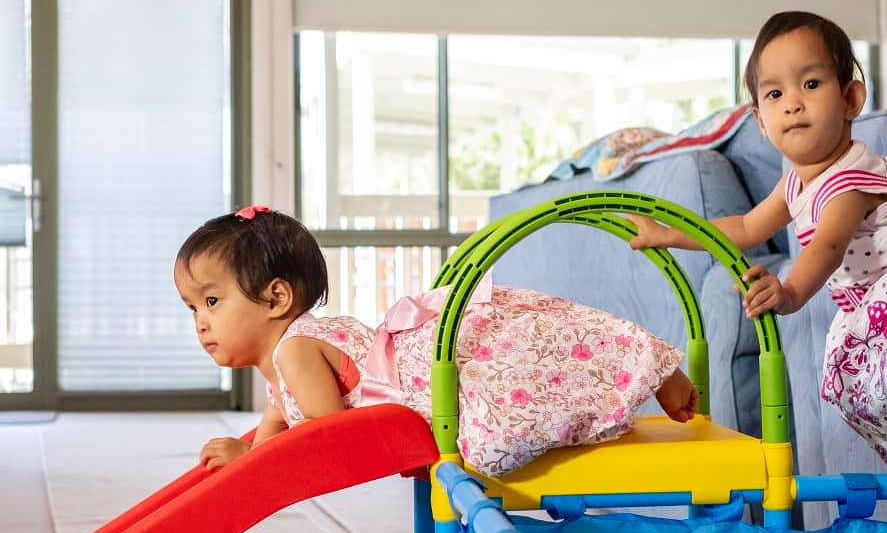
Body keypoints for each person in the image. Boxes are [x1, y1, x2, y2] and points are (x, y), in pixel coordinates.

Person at [627, 11, 887, 522]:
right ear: (761, 123)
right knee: (871, 392)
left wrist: (790, 292)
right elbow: (747, 227)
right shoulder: (796, 183)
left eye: (810, 83)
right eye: (774, 94)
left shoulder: (851, 176)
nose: (792, 101)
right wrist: (672, 234)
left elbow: (829, 247)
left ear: (852, 99)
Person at [174, 206, 699, 477]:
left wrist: (251, 459)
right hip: (418, 381)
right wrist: (245, 450)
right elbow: (276, 428)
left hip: (423, 372)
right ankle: (644, 368)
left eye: (212, 302)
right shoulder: (280, 373)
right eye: (194, 307)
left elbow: (325, 433)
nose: (201, 321)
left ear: (276, 297)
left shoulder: (295, 349)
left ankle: (653, 367)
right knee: (539, 368)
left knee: (537, 359)